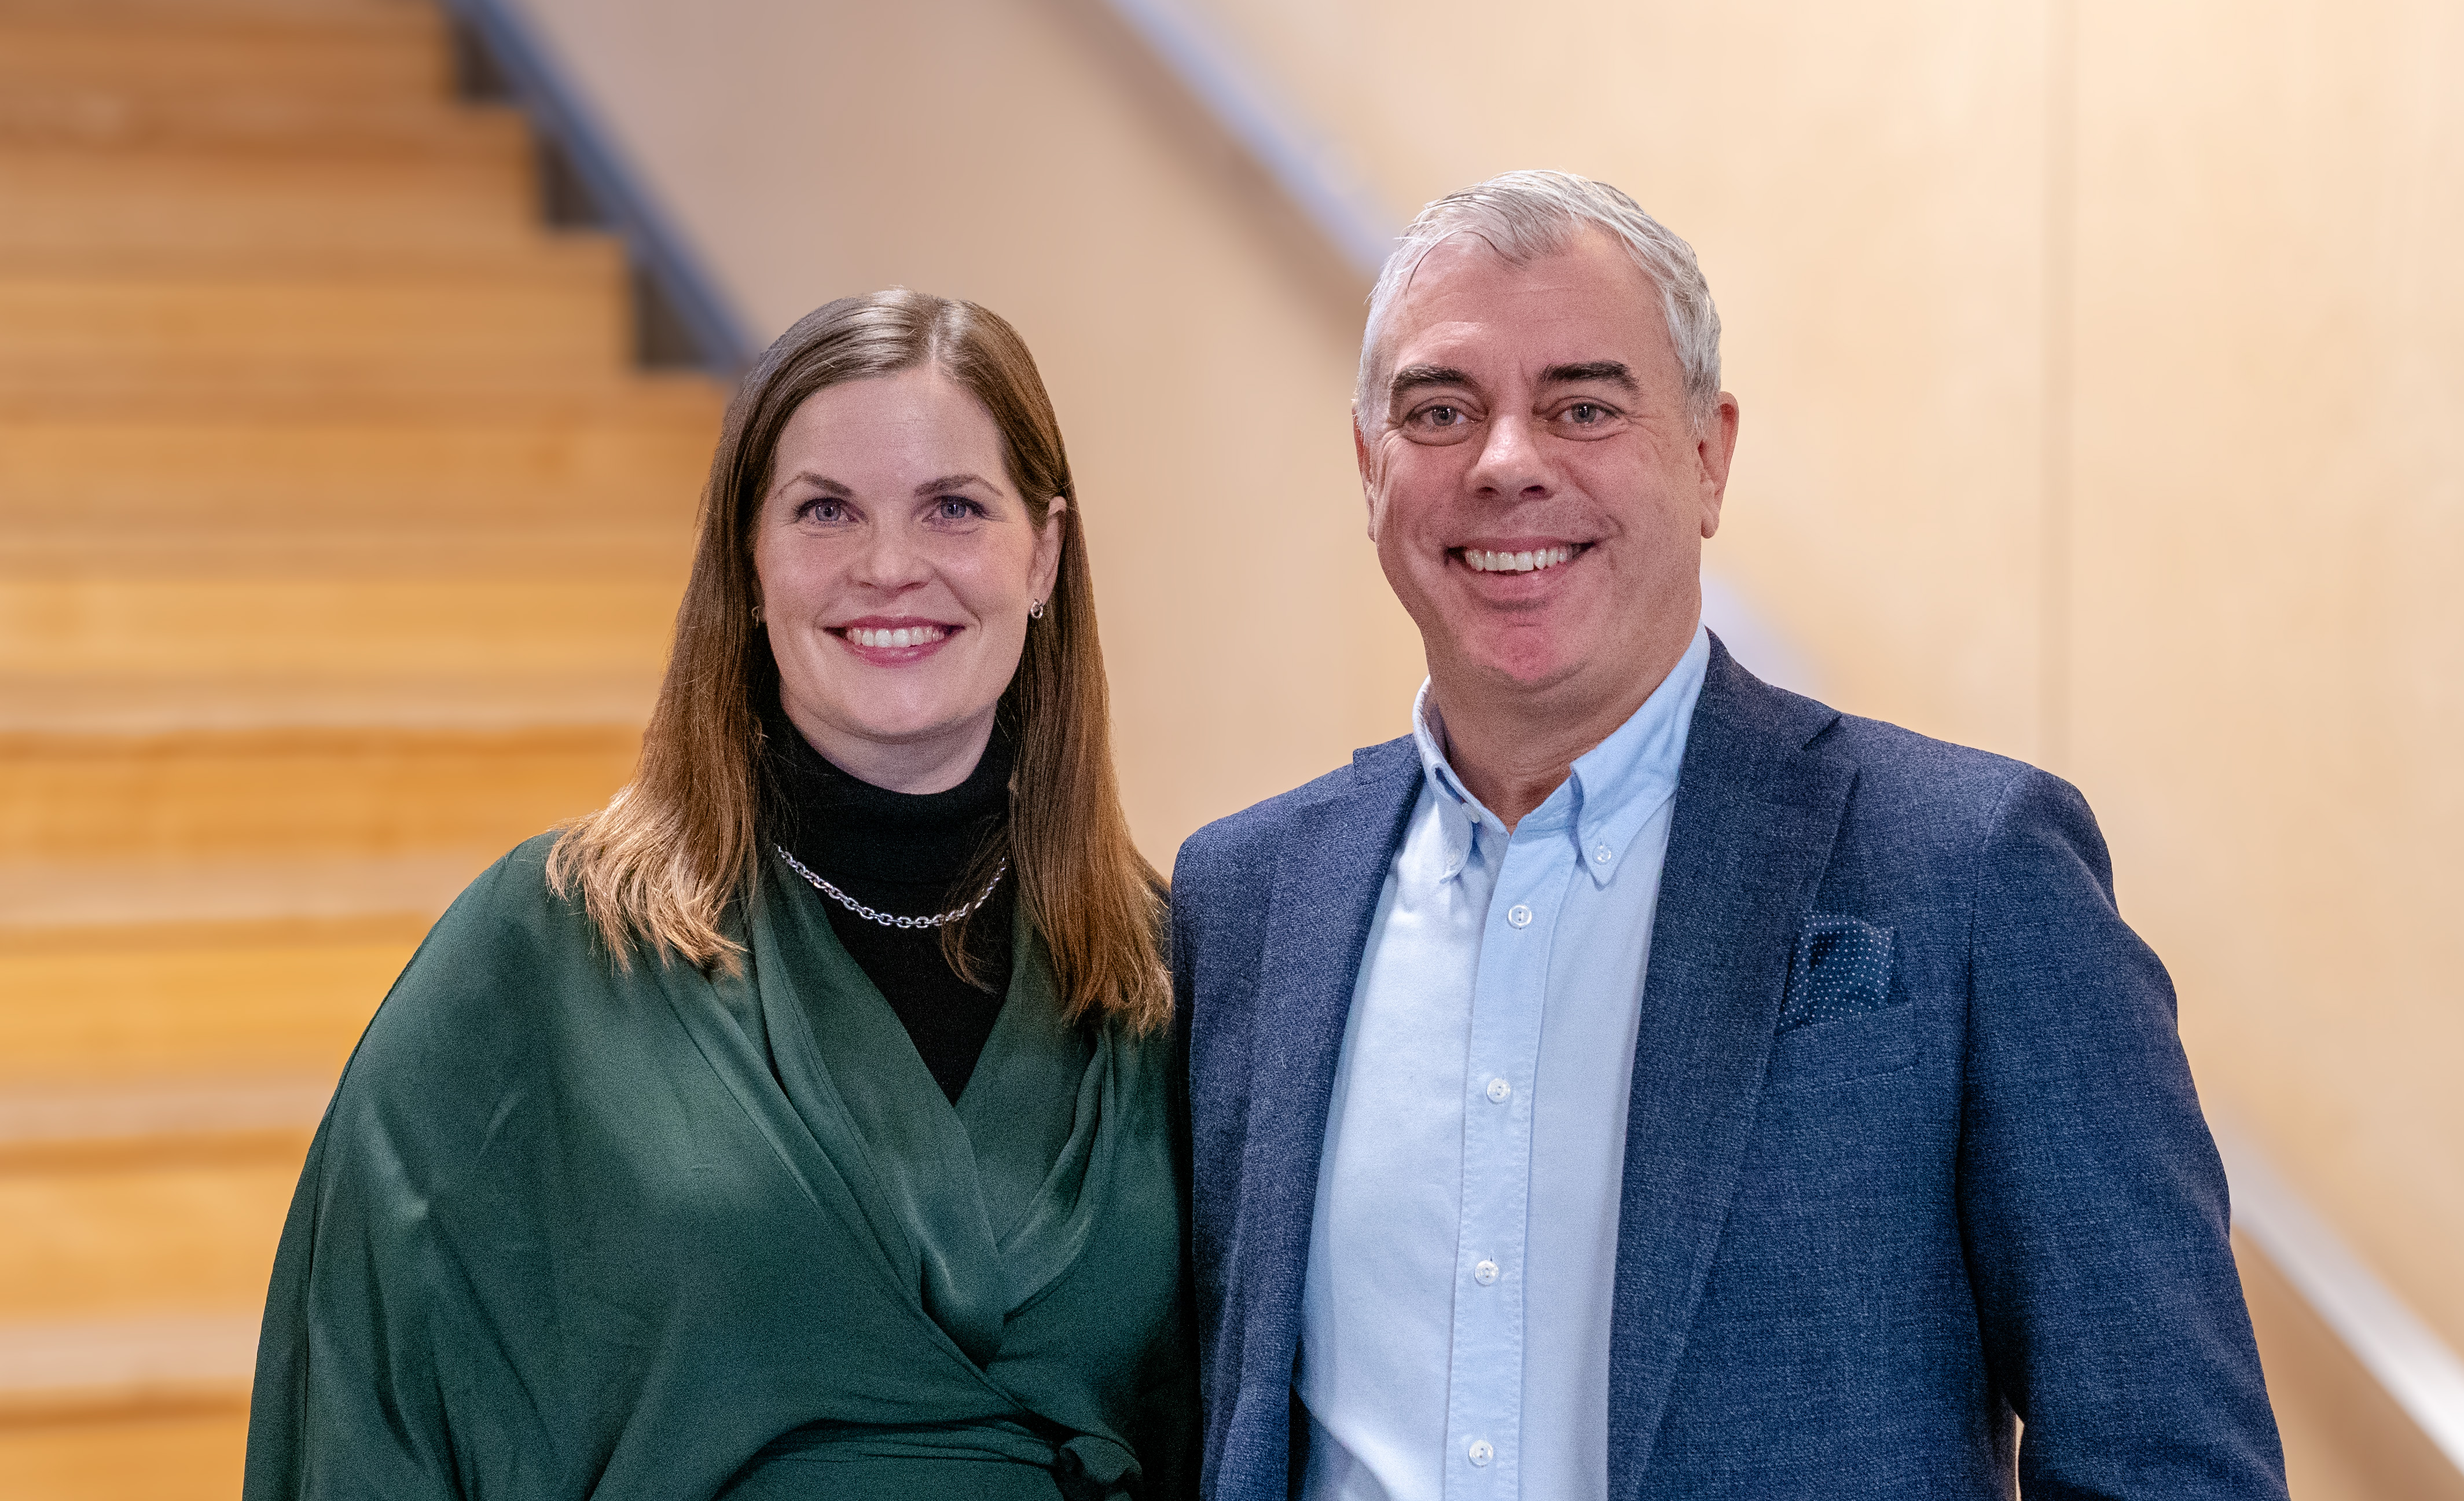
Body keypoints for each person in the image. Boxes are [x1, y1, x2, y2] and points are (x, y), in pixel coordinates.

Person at [1171, 172, 2286, 1498]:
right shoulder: (1241, 904)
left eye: (1582, 406)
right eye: (1438, 412)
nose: (1505, 460)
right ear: (1368, 467)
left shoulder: (1968, 869)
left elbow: (2167, 1464)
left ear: (1708, 455)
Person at [246, 291, 1191, 1500]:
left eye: (953, 507)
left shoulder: (1158, 976)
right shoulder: (549, 950)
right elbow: (363, 1413)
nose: (888, 566)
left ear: (1043, 553)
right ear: (748, 560)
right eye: (824, 511)